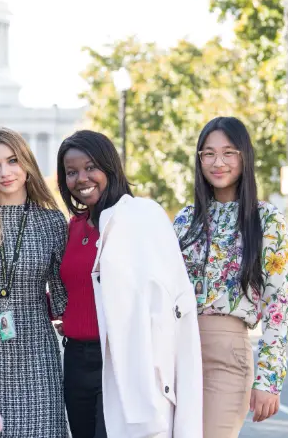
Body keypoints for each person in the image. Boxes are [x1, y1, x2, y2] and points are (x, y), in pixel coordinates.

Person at [57, 130, 202, 438]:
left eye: (90, 167)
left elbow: (168, 295)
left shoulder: (140, 217)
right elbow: (74, 289)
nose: (82, 178)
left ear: (110, 167)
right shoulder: (73, 228)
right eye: (72, 172)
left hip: (120, 359)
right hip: (76, 362)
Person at [174, 117, 288, 437]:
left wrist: (269, 380)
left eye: (228, 152)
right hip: (176, 354)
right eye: (208, 154)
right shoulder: (185, 220)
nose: (218, 162)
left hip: (227, 359)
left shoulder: (266, 219)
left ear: (244, 157)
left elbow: (277, 305)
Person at [0, 127, 68, 438]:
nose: (4, 172)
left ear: (27, 165)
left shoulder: (51, 222)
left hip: (37, 350)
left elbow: (63, 298)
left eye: (12, 161)